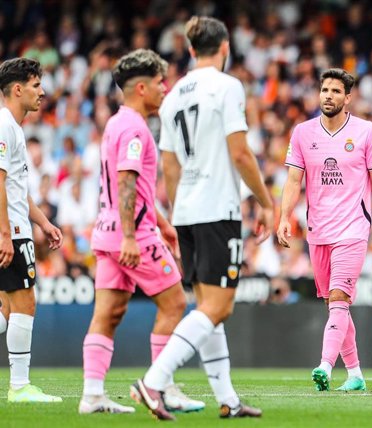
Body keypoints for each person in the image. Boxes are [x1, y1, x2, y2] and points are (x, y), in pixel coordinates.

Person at [132, 16, 273, 420]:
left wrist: (179, 215)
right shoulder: (228, 87)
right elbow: (241, 153)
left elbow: (170, 167)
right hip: (216, 207)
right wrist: (266, 201)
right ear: (225, 47)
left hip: (188, 210)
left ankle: (227, 399)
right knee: (220, 307)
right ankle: (154, 381)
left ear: (192, 50)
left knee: (207, 305)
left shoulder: (173, 94)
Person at [80, 49, 203, 414]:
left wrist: (164, 225)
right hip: (129, 235)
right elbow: (127, 182)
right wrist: (134, 236)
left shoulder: (116, 123)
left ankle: (92, 395)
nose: (165, 88)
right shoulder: (134, 127)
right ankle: (161, 386)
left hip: (106, 233)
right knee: (176, 303)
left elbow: (138, 188)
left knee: (109, 311)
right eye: (159, 82)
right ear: (140, 87)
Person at [278, 68, 372, 392]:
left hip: (353, 228)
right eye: (324, 90)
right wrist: (283, 218)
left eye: (335, 91)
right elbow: (293, 181)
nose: (328, 95)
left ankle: (325, 367)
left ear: (348, 98)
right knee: (334, 305)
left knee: (338, 297)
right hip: (318, 230)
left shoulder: (365, 131)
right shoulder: (302, 133)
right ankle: (356, 374)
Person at [0, 57, 64, 402]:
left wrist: (44, 222)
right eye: (37, 85)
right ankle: (20, 386)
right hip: (10, 231)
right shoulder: (4, 125)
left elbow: (15, 189)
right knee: (24, 304)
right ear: (18, 88)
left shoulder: (13, 127)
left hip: (18, 225)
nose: (43, 92)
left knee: (7, 309)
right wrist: (5, 233)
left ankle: (20, 385)